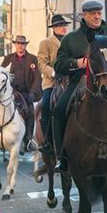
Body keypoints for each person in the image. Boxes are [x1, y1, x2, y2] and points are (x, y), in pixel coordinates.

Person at [53, 1, 107, 172]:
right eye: (92, 13)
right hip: (79, 81)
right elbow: (58, 65)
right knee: (59, 109)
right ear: (84, 15)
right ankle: (60, 155)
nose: (97, 16)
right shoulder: (71, 38)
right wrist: (76, 63)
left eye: (99, 12)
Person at [0, 35, 42, 153]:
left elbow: (37, 78)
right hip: (10, 92)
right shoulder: (8, 58)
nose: (20, 45)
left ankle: (28, 140)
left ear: (25, 45)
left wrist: (32, 93)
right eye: (18, 43)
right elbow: (1, 75)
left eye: (22, 43)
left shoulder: (33, 59)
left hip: (26, 93)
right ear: (15, 44)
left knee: (30, 113)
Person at [37, 15, 71, 154]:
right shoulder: (46, 43)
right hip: (52, 82)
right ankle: (47, 140)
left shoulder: (70, 41)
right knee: (45, 104)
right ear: (54, 28)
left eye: (65, 25)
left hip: (70, 79)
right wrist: (53, 72)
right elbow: (41, 63)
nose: (64, 28)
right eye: (60, 25)